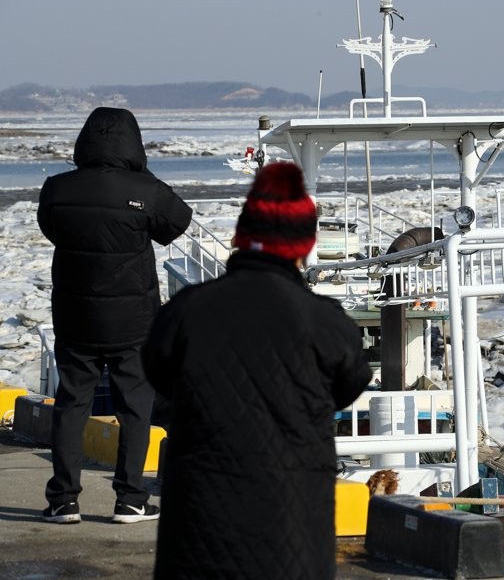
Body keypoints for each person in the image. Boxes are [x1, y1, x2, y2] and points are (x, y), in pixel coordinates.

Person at [142, 161, 371, 579]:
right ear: (304, 246)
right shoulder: (326, 322)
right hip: (291, 531)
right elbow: (352, 381)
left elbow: (158, 372)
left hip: (199, 529)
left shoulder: (187, 310)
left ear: (242, 238)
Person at [37, 106, 193, 524]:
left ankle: (63, 500)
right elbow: (178, 224)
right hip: (134, 322)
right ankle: (130, 499)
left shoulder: (56, 188)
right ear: (134, 142)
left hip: (76, 317)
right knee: (135, 409)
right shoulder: (146, 189)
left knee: (71, 403)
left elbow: (50, 228)